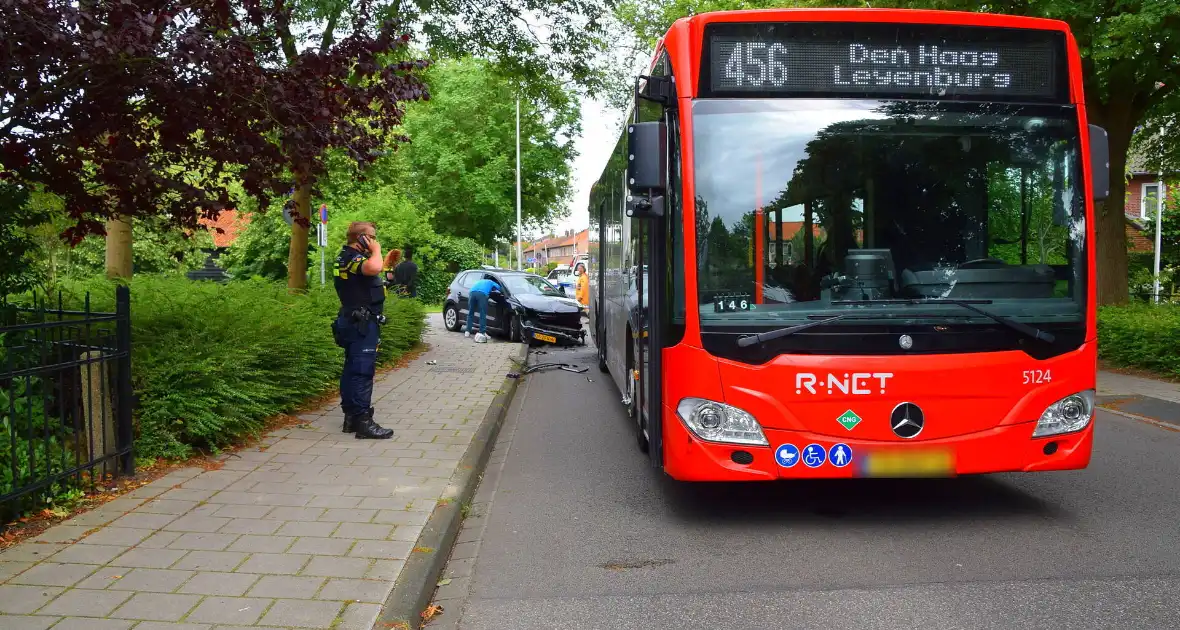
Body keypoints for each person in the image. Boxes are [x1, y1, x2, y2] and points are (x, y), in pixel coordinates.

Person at [331, 222, 395, 440]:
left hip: (352, 319)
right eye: (372, 237)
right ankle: (362, 422)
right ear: (361, 238)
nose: (375, 241)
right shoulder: (353, 258)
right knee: (362, 371)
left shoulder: (345, 257)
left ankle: (350, 417)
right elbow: (373, 268)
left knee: (351, 369)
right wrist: (376, 252)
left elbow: (370, 276)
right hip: (361, 324)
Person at [466, 276, 502, 343]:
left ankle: (467, 331)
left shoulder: (480, 281)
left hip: (472, 293)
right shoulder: (491, 282)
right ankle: (482, 332)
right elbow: (500, 289)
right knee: (482, 313)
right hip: (482, 294)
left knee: (471, 312)